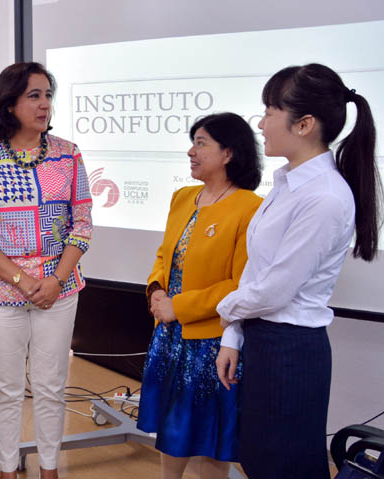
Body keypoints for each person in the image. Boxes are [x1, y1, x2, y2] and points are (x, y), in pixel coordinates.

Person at [215, 64, 384, 479]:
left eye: (271, 111)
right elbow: (259, 272)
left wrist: (223, 308)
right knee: (259, 462)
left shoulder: (325, 196)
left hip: (290, 353)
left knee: (285, 466)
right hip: (265, 343)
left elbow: (274, 290)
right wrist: (233, 335)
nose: (262, 123)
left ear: (305, 124)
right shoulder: (289, 184)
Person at [0, 62, 92, 479]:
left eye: (48, 95)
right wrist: (23, 280)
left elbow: (82, 223)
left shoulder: (68, 153)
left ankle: (49, 469)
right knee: (7, 390)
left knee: (52, 387)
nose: (45, 104)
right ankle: (7, 471)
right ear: (9, 102)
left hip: (58, 290)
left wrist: (53, 281)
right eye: (34, 95)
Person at [137, 113, 263, 479]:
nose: (191, 151)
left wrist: (180, 307)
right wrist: (158, 292)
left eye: (201, 143)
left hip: (211, 342)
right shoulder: (183, 197)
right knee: (171, 425)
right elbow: (165, 256)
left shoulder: (250, 208)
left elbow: (240, 283)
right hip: (168, 333)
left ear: (228, 153)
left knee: (208, 434)